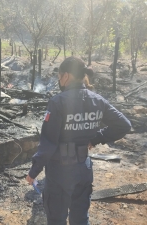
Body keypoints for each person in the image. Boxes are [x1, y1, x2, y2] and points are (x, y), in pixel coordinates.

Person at [26, 56, 131, 225]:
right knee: (80, 219)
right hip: (83, 169)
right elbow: (124, 125)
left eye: (59, 76)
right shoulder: (97, 100)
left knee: (56, 219)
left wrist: (34, 171)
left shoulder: (57, 102)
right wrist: (97, 138)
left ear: (66, 76)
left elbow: (48, 143)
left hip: (60, 171)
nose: (59, 80)